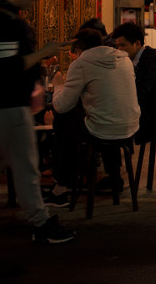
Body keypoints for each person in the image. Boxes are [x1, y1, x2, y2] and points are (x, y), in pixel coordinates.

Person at [0, 0, 75, 243]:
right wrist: (44, 52)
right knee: (27, 169)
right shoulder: (4, 22)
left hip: (10, 107)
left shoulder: (9, 19)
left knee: (24, 167)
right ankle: (42, 225)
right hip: (7, 108)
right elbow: (5, 67)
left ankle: (41, 222)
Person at [52, 28, 141, 197]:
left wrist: (57, 87)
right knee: (104, 117)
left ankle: (61, 187)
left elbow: (62, 106)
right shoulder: (124, 60)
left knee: (63, 121)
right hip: (130, 126)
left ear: (78, 49)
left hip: (104, 129)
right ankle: (113, 177)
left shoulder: (80, 64)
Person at [111, 21, 156, 146]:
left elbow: (142, 93)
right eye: (117, 46)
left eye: (122, 45)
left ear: (137, 43)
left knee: (109, 129)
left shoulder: (150, 62)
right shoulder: (145, 58)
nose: (119, 50)